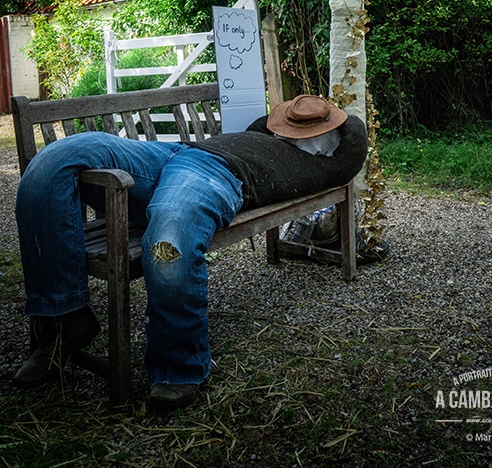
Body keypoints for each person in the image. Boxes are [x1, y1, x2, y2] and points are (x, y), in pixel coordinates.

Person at [14, 94, 367, 411]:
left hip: (215, 175)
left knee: (169, 239)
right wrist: (294, 116)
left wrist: (331, 115)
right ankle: (64, 318)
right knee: (52, 162)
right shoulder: (264, 134)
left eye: (305, 125)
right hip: (176, 152)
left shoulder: (322, 164)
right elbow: (262, 123)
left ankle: (177, 365)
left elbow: (353, 146)